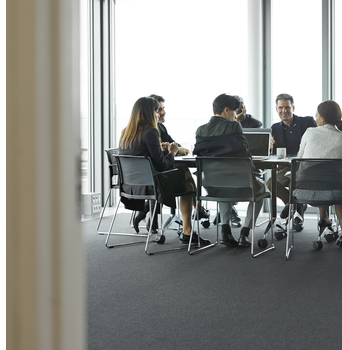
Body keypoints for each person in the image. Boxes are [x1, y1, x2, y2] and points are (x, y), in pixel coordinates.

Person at [118, 96, 209, 246]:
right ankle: (189, 228)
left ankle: (189, 228)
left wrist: (159, 150)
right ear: (149, 113)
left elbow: (141, 154)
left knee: (186, 181)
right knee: (186, 178)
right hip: (152, 185)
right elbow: (161, 166)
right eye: (156, 111)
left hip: (130, 186)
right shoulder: (151, 131)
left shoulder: (125, 132)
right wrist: (172, 152)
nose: (158, 114)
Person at [193, 93, 267, 248]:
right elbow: (244, 154)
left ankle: (225, 232)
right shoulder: (234, 126)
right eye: (235, 111)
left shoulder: (200, 130)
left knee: (223, 185)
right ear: (226, 110)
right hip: (239, 183)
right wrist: (255, 171)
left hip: (212, 185)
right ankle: (244, 234)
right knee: (261, 190)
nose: (236, 115)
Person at [295, 100, 342, 249]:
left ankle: (325, 218)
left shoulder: (310, 132)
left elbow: (299, 158)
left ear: (323, 119)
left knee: (320, 178)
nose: (315, 118)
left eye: (316, 115)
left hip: (305, 192)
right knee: (340, 190)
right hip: (335, 193)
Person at [267, 93, 317, 230]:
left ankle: (295, 208)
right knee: (271, 183)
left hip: (307, 166)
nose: (284, 111)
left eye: (287, 107)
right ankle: (295, 204)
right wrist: (270, 148)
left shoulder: (307, 122)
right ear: (276, 109)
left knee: (297, 182)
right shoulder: (275, 128)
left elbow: (318, 141)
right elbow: (274, 153)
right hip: (286, 167)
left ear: (293, 107)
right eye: (280, 108)